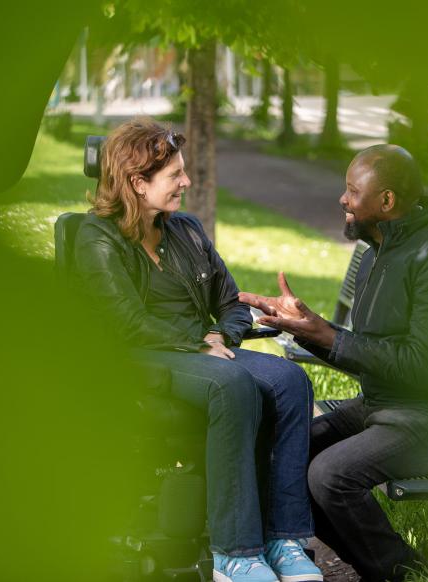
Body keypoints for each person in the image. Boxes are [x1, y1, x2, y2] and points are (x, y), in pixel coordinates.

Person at [74, 117, 323, 582]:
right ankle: (236, 553)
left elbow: (230, 304)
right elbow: (125, 322)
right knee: (230, 384)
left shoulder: (185, 230)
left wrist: (219, 337)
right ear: (137, 182)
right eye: (175, 175)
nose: (187, 182)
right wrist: (196, 343)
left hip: (201, 351)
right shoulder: (95, 238)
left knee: (291, 380)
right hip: (138, 355)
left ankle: (284, 539)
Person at [239, 145, 428, 582]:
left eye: (353, 191)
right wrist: (305, 329)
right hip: (389, 403)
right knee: (286, 452)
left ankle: (406, 574)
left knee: (330, 475)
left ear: (386, 201)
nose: (343, 199)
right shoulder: (379, 249)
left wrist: (324, 333)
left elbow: (423, 365)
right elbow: (369, 349)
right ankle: (379, 567)